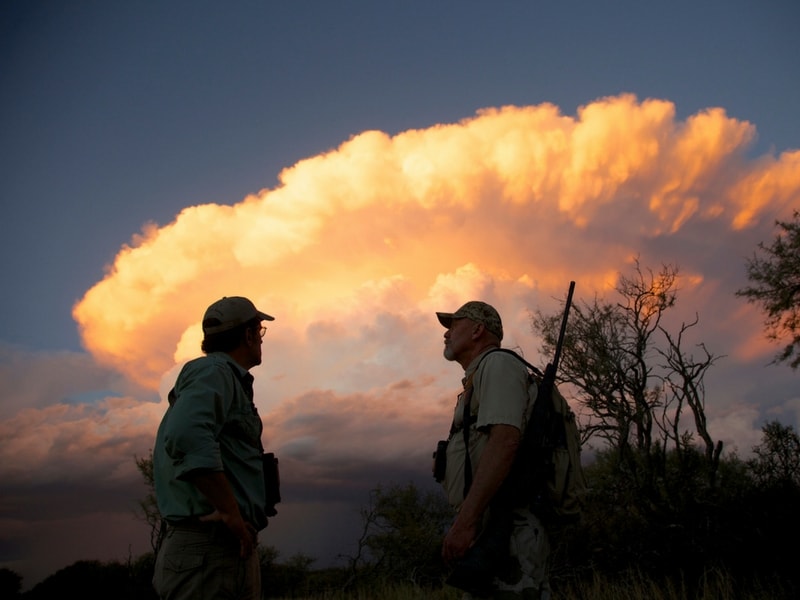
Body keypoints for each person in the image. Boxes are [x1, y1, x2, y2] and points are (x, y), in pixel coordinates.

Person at [152, 296, 274, 600]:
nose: (259, 339)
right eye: (259, 331)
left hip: (225, 549)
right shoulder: (214, 372)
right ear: (248, 335)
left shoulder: (224, 377)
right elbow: (186, 435)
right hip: (208, 552)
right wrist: (229, 511)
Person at [435, 301, 551, 600]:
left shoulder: (498, 364)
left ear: (477, 330)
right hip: (489, 528)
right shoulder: (481, 375)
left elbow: (505, 441)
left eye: (454, 325)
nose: (447, 334)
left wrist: (465, 523)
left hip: (507, 530)